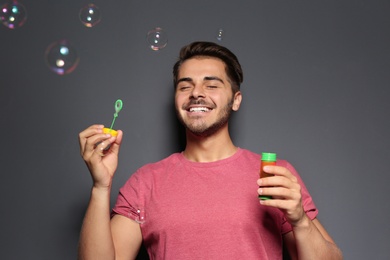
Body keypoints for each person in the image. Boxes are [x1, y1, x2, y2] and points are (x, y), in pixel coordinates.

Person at [78, 41, 343, 259]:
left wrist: (300, 221)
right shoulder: (146, 182)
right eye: (185, 86)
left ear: (235, 100)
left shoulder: (272, 174)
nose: (196, 93)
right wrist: (100, 188)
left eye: (212, 85)